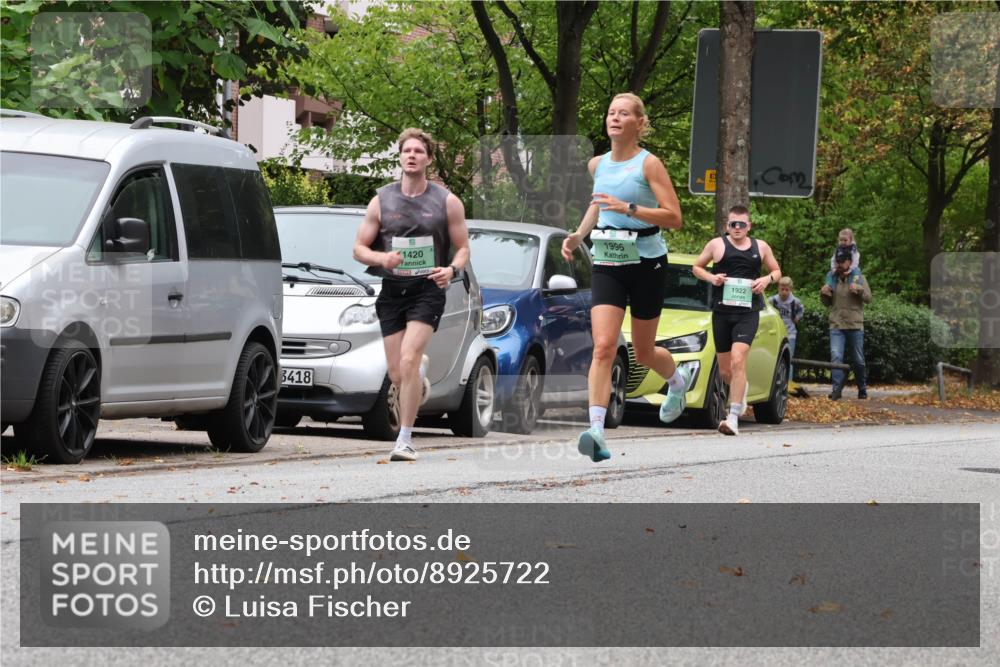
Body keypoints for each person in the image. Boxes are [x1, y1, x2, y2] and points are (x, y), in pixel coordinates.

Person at [561, 92, 684, 463]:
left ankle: (676, 384)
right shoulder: (597, 164)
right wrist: (578, 235)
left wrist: (630, 208)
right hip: (609, 260)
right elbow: (598, 204)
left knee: (644, 352)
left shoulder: (650, 165)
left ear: (638, 123)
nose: (614, 118)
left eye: (623, 113)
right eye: (611, 112)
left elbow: (674, 217)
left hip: (647, 261)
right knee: (603, 345)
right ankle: (596, 431)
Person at [353, 128, 470, 461]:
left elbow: (463, 248)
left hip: (427, 290)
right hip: (392, 290)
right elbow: (359, 248)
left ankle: (404, 439)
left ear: (428, 159)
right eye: (407, 151)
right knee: (397, 373)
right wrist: (382, 258)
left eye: (419, 151)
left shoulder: (447, 202)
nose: (412, 155)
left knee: (407, 360)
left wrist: (451, 271)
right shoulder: (382, 199)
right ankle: (416, 374)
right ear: (400, 156)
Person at [692, 205, 781, 436]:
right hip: (722, 312)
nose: (737, 228)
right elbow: (696, 267)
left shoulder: (760, 247)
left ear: (749, 226)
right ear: (727, 225)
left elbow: (777, 271)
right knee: (725, 371)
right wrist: (712, 278)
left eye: (742, 224)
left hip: (747, 313)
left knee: (738, 359)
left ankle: (732, 417)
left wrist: (766, 279)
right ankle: (741, 390)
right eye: (733, 224)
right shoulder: (717, 245)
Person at [821, 248, 872, 400]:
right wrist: (823, 294)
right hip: (836, 324)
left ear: (849, 262)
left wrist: (860, 290)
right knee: (836, 357)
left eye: (842, 261)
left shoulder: (859, 277)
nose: (839, 264)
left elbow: (869, 298)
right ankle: (837, 390)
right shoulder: (831, 278)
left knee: (858, 360)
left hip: (855, 324)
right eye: (838, 261)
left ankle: (862, 388)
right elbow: (826, 303)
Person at [768, 276, 805, 378]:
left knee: (789, 358)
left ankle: (788, 383)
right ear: (778, 288)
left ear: (791, 289)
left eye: (786, 290)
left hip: (790, 332)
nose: (784, 292)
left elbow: (801, 310)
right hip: (776, 333)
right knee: (775, 358)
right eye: (782, 289)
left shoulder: (795, 302)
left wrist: (797, 318)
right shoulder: (773, 300)